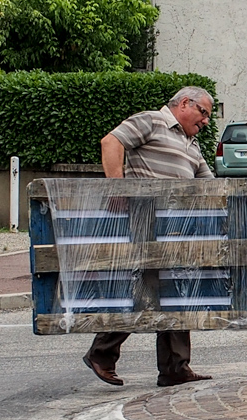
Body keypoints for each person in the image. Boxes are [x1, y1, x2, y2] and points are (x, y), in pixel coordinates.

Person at [82, 86, 217, 388]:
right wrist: (117, 188)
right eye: (204, 113)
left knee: (175, 291)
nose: (206, 121)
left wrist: (245, 199)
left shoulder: (191, 144)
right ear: (185, 103)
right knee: (148, 290)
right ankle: (102, 353)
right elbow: (112, 141)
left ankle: (174, 367)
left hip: (175, 229)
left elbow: (210, 185)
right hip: (147, 223)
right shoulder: (152, 121)